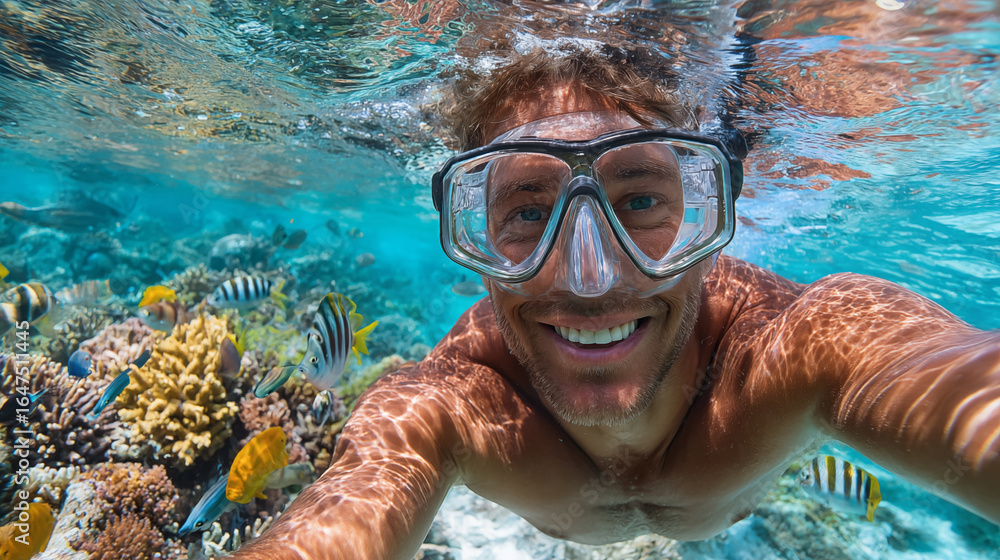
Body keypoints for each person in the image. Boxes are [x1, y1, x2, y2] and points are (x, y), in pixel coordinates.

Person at [232, 43, 1000, 559]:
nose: (591, 278)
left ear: (706, 215)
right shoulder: (450, 405)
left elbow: (944, 380)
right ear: (478, 236)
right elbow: (346, 510)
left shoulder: (802, 346)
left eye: (640, 202)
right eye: (528, 214)